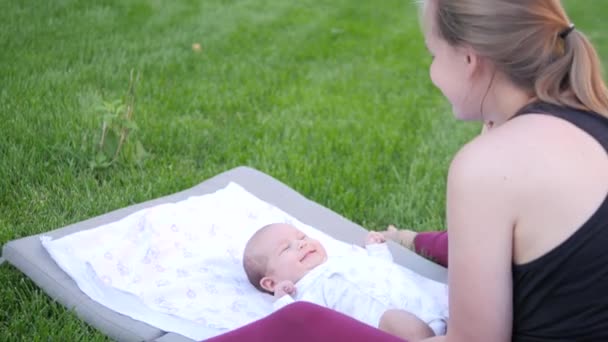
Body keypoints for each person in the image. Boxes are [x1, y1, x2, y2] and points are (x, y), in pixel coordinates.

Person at [208, 0, 608, 341]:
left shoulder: (487, 165)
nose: (433, 70)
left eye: (433, 54)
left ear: (469, 59)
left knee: (297, 321)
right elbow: (521, 250)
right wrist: (412, 239)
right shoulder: (591, 115)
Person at [242, 223, 449, 341]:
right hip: (386, 326)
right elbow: (297, 321)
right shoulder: (303, 292)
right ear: (270, 283)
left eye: (302, 237)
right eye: (286, 248)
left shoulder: (342, 259)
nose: (301, 244)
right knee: (400, 321)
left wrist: (376, 251)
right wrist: (282, 298)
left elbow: (382, 270)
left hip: (425, 307)